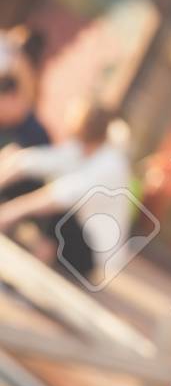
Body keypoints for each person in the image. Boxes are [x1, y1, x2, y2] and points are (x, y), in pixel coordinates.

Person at [0, 98, 133, 284]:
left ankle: (29, 273)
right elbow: (36, 161)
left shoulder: (111, 164)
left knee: (56, 210)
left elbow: (60, 196)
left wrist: (10, 212)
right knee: (28, 182)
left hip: (91, 253)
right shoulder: (82, 147)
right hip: (74, 227)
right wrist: (13, 159)